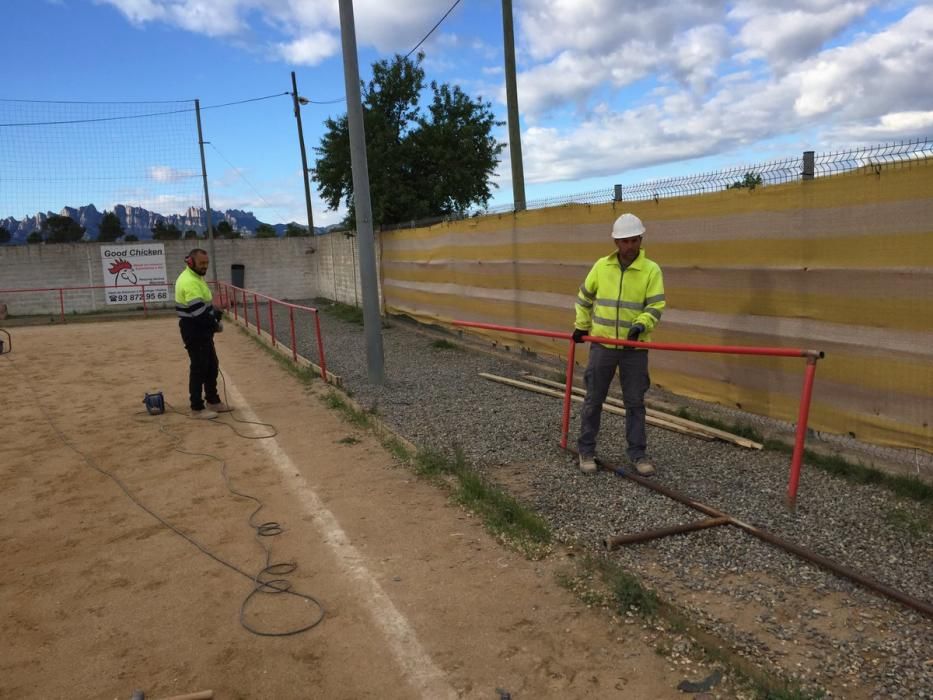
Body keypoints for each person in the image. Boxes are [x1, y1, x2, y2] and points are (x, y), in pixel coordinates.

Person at [573, 213, 666, 475]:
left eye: (634, 240)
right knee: (593, 399)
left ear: (641, 239)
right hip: (602, 345)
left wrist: (641, 324)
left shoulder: (651, 270)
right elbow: (584, 298)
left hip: (634, 349)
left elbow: (656, 305)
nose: (629, 246)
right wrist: (582, 325)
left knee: (635, 402)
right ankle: (586, 450)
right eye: (624, 241)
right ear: (616, 242)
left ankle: (638, 455)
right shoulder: (602, 267)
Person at [174, 248, 231, 419]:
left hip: (201, 330)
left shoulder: (196, 278)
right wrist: (216, 324)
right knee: (199, 368)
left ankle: (213, 401)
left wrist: (217, 310)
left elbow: (205, 308)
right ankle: (197, 408)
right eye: (202, 263)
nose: (205, 266)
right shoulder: (190, 282)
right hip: (194, 330)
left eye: (206, 263)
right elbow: (199, 314)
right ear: (191, 262)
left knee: (211, 365)